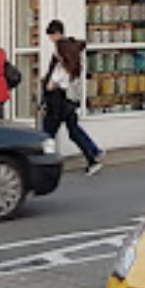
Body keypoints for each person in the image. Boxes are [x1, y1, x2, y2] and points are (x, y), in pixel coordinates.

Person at [42, 20, 104, 175]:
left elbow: (54, 83)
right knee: (73, 130)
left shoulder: (62, 60)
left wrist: (47, 86)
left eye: (51, 36)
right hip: (68, 100)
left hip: (58, 101)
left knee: (47, 133)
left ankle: (43, 164)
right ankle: (93, 154)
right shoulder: (72, 53)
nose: (51, 41)